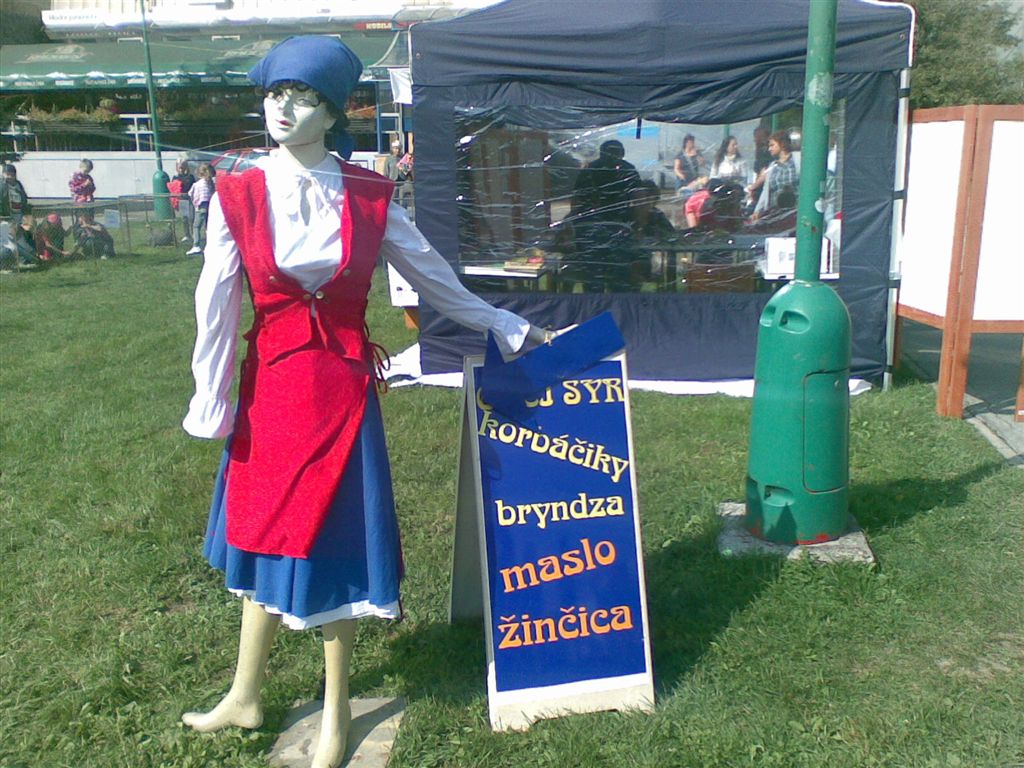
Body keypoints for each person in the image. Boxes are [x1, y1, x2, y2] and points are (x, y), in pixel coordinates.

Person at [180, 36, 547, 768]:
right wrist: (209, 398)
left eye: (303, 98)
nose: (283, 109)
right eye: (275, 94)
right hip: (269, 391)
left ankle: (336, 714)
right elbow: (214, 303)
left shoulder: (368, 195)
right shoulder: (238, 193)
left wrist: (510, 325)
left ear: (332, 113)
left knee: (337, 540)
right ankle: (245, 693)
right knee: (259, 527)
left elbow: (434, 279)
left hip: (340, 391)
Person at [749, 131, 799, 218]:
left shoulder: (798, 159)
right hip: (775, 214)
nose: (769, 149)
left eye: (772, 145)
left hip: (795, 213)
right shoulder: (772, 166)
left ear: (782, 144)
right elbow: (766, 192)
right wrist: (757, 211)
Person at [185, 164, 214, 256]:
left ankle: (196, 245)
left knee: (196, 226)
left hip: (201, 207)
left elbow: (191, 194)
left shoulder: (197, 184)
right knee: (208, 227)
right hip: (210, 207)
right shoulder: (210, 183)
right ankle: (210, 244)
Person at [170, 158, 197, 244]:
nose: (181, 169)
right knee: (184, 218)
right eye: (179, 167)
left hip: (190, 200)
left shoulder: (190, 177)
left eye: (182, 167)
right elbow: (174, 188)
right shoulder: (175, 177)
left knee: (192, 218)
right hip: (181, 200)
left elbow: (193, 187)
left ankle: (194, 234)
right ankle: (187, 235)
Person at [0, 164, 31, 230]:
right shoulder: (2, 185)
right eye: (7, 174)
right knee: (8, 232)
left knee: (20, 231)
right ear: (3, 174)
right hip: (7, 215)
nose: (10, 177)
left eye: (12, 175)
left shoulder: (18, 184)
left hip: (19, 214)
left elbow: (24, 197)